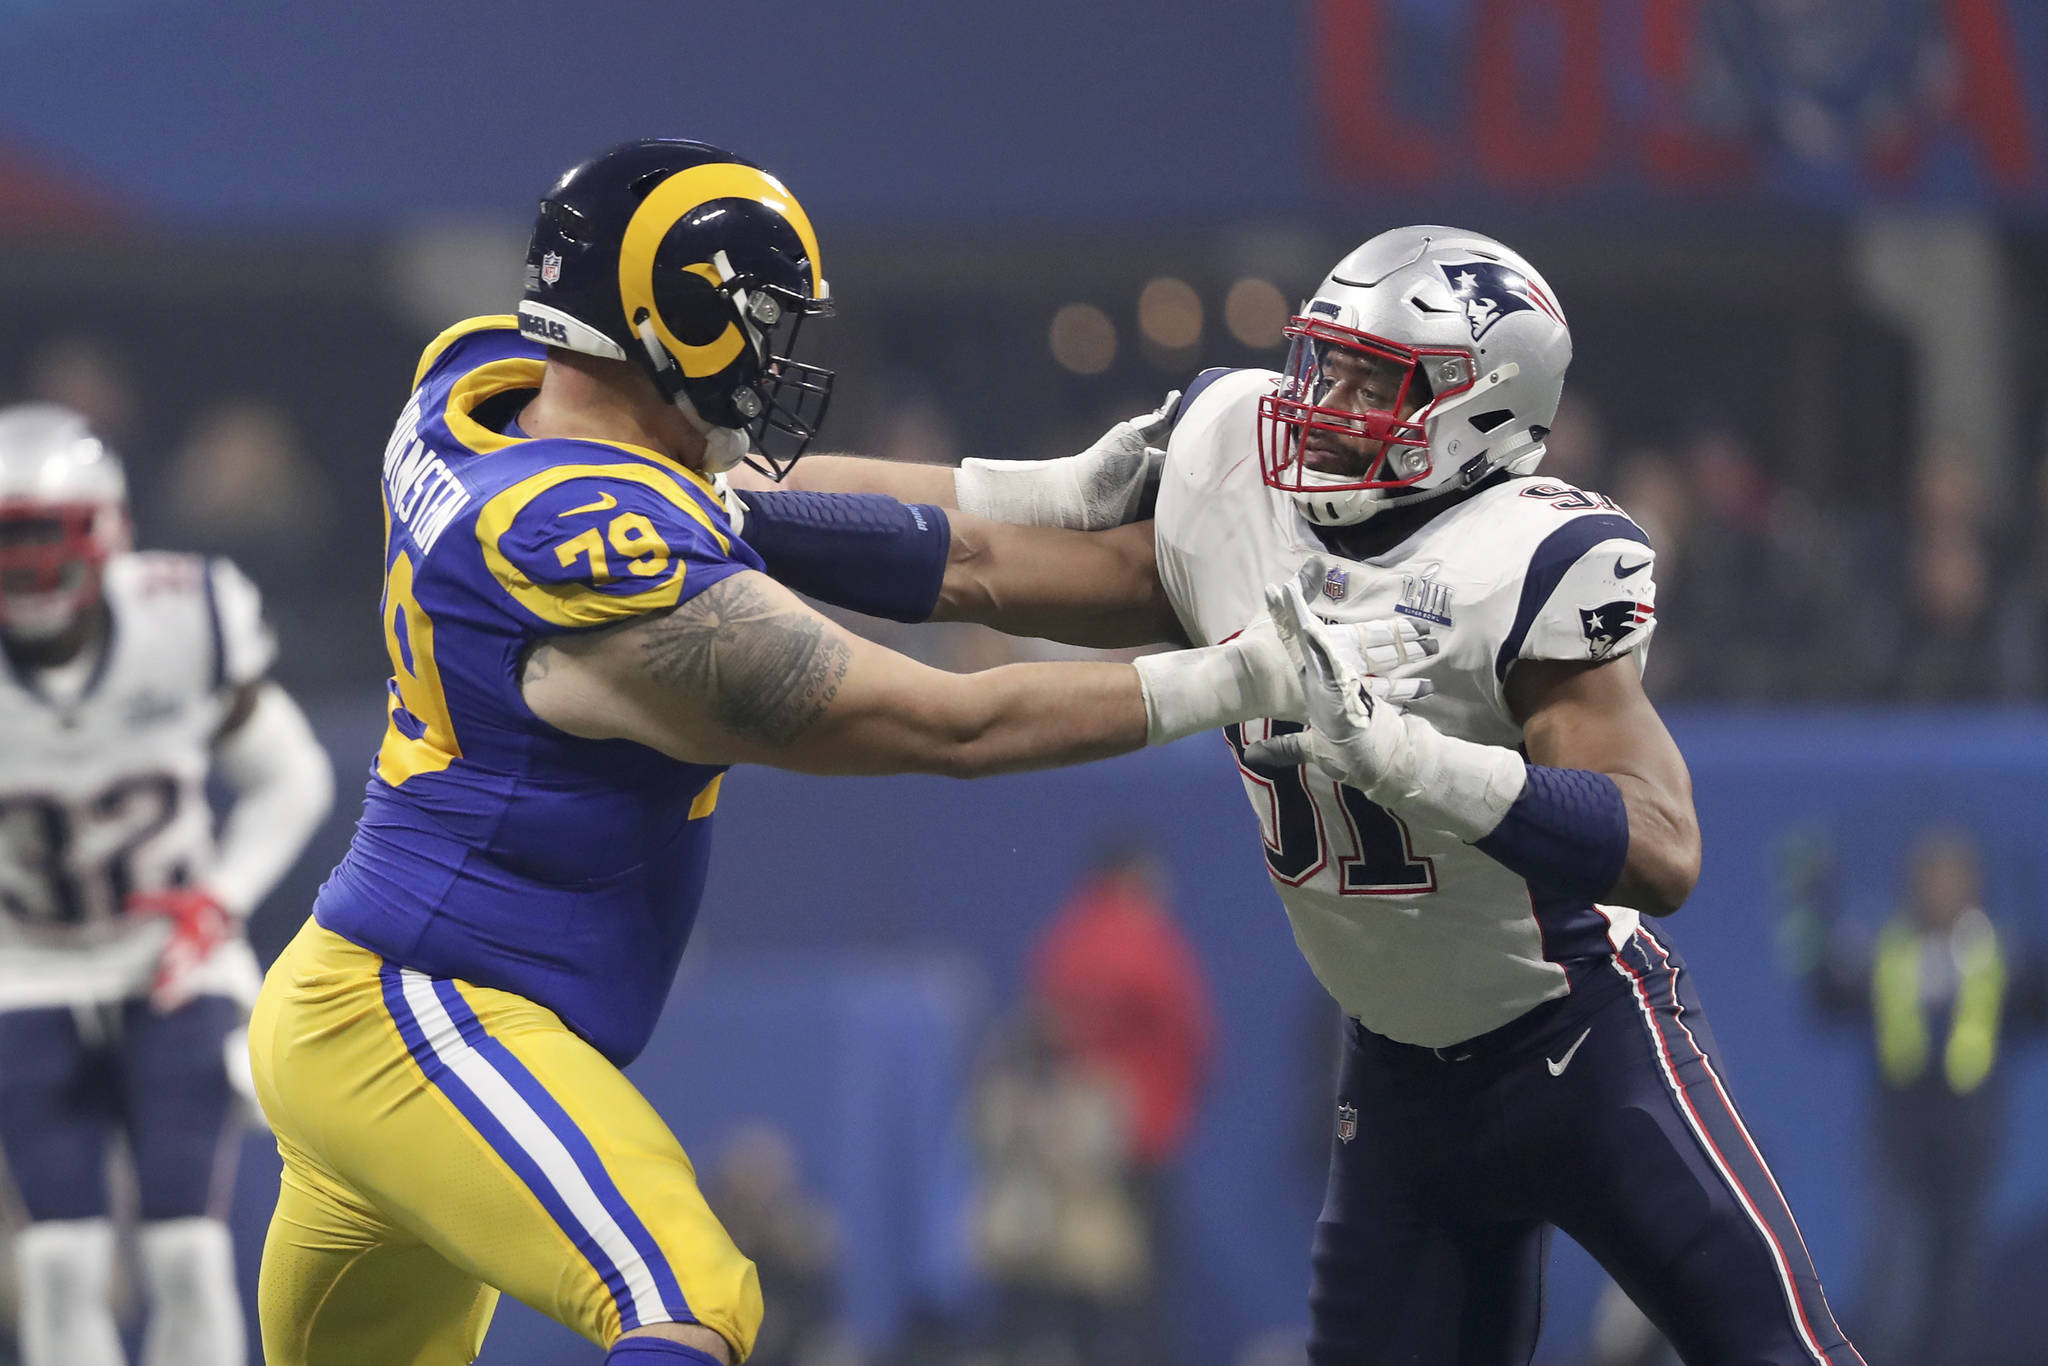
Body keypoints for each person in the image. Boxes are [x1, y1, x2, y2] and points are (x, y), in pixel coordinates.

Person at [246, 138, 1421, 1366]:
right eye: (757, 318)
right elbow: (947, 724)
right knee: (690, 1302)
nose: (777, 351)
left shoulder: (477, 390)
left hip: (349, 999)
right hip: (424, 1016)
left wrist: (1046, 490)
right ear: (668, 318)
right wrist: (1238, 677)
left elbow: (799, 511)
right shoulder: (597, 559)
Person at [752, 226, 1864, 1364]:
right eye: (1320, 364)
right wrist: (720, 503)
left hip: (1584, 1044)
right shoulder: (1239, 488)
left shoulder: (1527, 560)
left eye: (1367, 380)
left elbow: (1662, 847)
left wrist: (1412, 761)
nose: (1320, 402)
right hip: (1397, 1085)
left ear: (1476, 408)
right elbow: (972, 561)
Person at [0, 403, 335, 1366]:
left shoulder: (181, 618)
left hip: (168, 966)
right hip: (29, 969)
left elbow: (295, 777)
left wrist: (218, 899)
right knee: (57, 1260)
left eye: (41, 537)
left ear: (103, 534)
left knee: (185, 1249)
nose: (25, 567)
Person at [1784, 827, 2047, 1365]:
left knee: (1954, 1296)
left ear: (1975, 886)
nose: (1941, 890)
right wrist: (1808, 902)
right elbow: (1825, 993)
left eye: (1954, 878)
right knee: (1895, 1289)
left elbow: (2037, 1006)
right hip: (1897, 1152)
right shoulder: (1885, 954)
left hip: (1972, 1152)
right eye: (1930, 878)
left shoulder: (2002, 957)